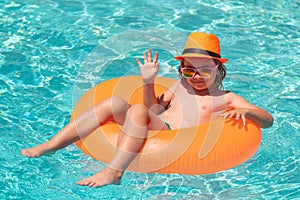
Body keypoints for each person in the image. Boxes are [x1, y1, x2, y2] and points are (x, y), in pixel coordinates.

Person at [21, 32, 273, 188]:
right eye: (188, 70)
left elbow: (268, 120)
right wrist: (148, 81)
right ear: (181, 69)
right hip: (156, 127)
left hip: (178, 141)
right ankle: (51, 146)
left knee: (136, 113)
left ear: (218, 69)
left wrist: (248, 113)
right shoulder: (178, 87)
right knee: (115, 103)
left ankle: (114, 172)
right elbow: (153, 106)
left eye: (204, 70)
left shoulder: (226, 98)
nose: (195, 77)